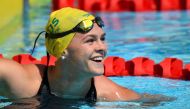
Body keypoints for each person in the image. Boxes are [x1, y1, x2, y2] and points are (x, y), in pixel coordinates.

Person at [0, 7, 141, 102]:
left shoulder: (109, 93)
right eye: (90, 40)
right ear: (62, 49)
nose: (102, 47)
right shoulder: (24, 81)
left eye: (102, 39)